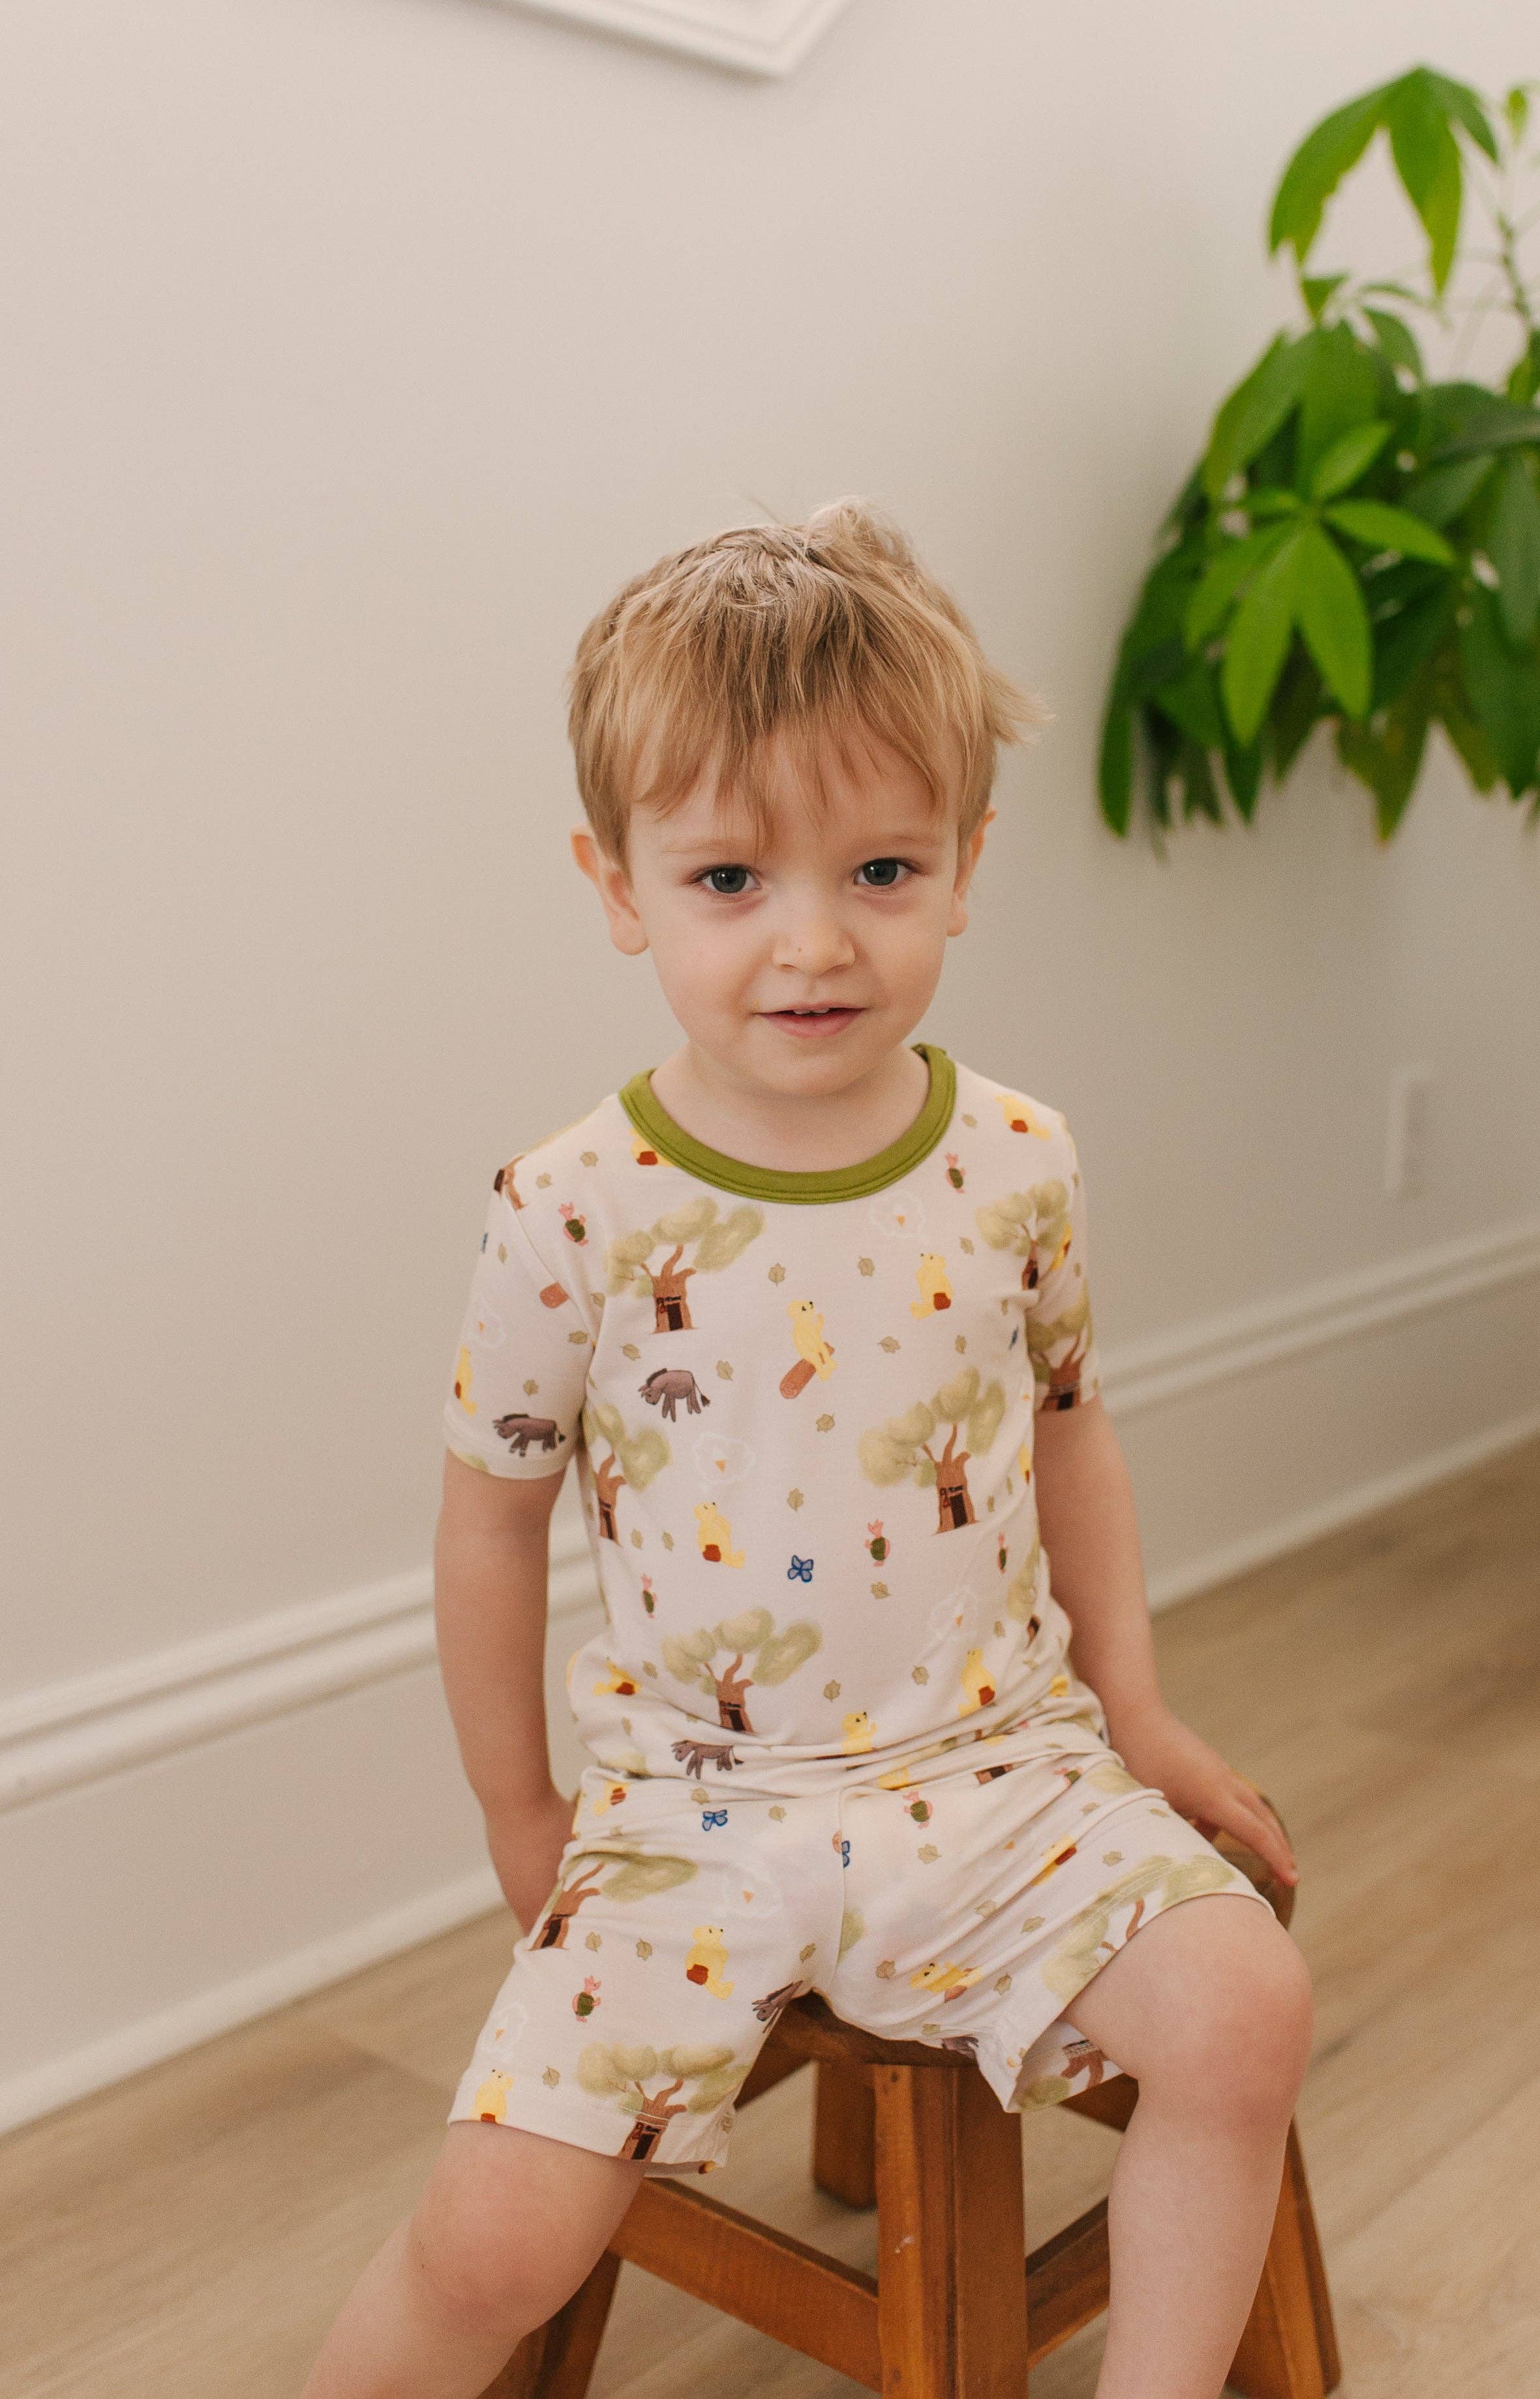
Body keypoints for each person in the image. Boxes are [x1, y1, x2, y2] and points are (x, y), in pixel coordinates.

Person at [300, 501, 1312, 2399]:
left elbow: (1071, 1433)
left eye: (880, 868)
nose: (814, 940)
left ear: (965, 864)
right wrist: (519, 1811)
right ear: (618, 886)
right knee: (493, 2240)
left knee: (1247, 2015)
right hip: (691, 1812)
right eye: (728, 880)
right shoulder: (571, 1207)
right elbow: (489, 1523)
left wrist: (1139, 1713)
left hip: (1001, 1772)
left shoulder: (1018, 1160)